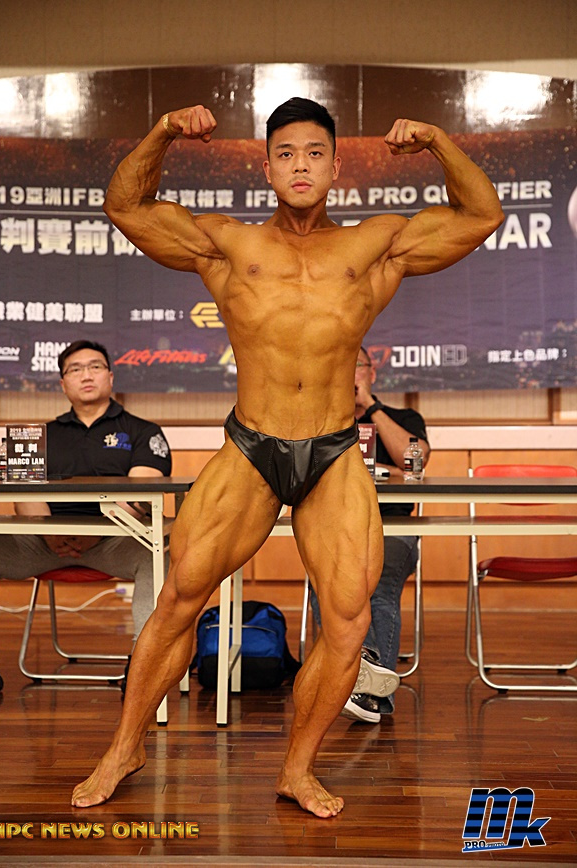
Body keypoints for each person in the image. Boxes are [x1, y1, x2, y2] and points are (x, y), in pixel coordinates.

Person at [71, 100, 503, 818]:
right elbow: (126, 206)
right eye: (286, 154)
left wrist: (435, 140)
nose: (300, 165)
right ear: (267, 167)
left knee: (349, 621)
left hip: (333, 449)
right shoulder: (228, 245)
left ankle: (297, 769)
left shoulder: (375, 245)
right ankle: (125, 747)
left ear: (335, 166)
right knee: (179, 598)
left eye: (314, 153)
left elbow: (481, 215)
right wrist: (164, 132)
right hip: (252, 443)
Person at [0, 340, 171, 700]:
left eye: (95, 367)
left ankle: (145, 665)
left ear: (111, 377)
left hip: (116, 540)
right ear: (62, 383)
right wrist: (51, 534)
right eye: (75, 369)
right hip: (46, 541)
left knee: (157, 555)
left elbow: (143, 493)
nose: (86, 375)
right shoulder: (38, 436)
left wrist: (94, 534)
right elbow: (22, 494)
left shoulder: (144, 431)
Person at [309, 344, 430, 724]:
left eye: (357, 365)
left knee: (377, 584)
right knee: (326, 579)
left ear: (372, 372)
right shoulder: (323, 421)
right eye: (342, 365)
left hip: (394, 527)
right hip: (337, 529)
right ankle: (365, 681)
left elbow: (416, 461)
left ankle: (368, 690)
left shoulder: (403, 417)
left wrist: (371, 407)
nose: (350, 373)